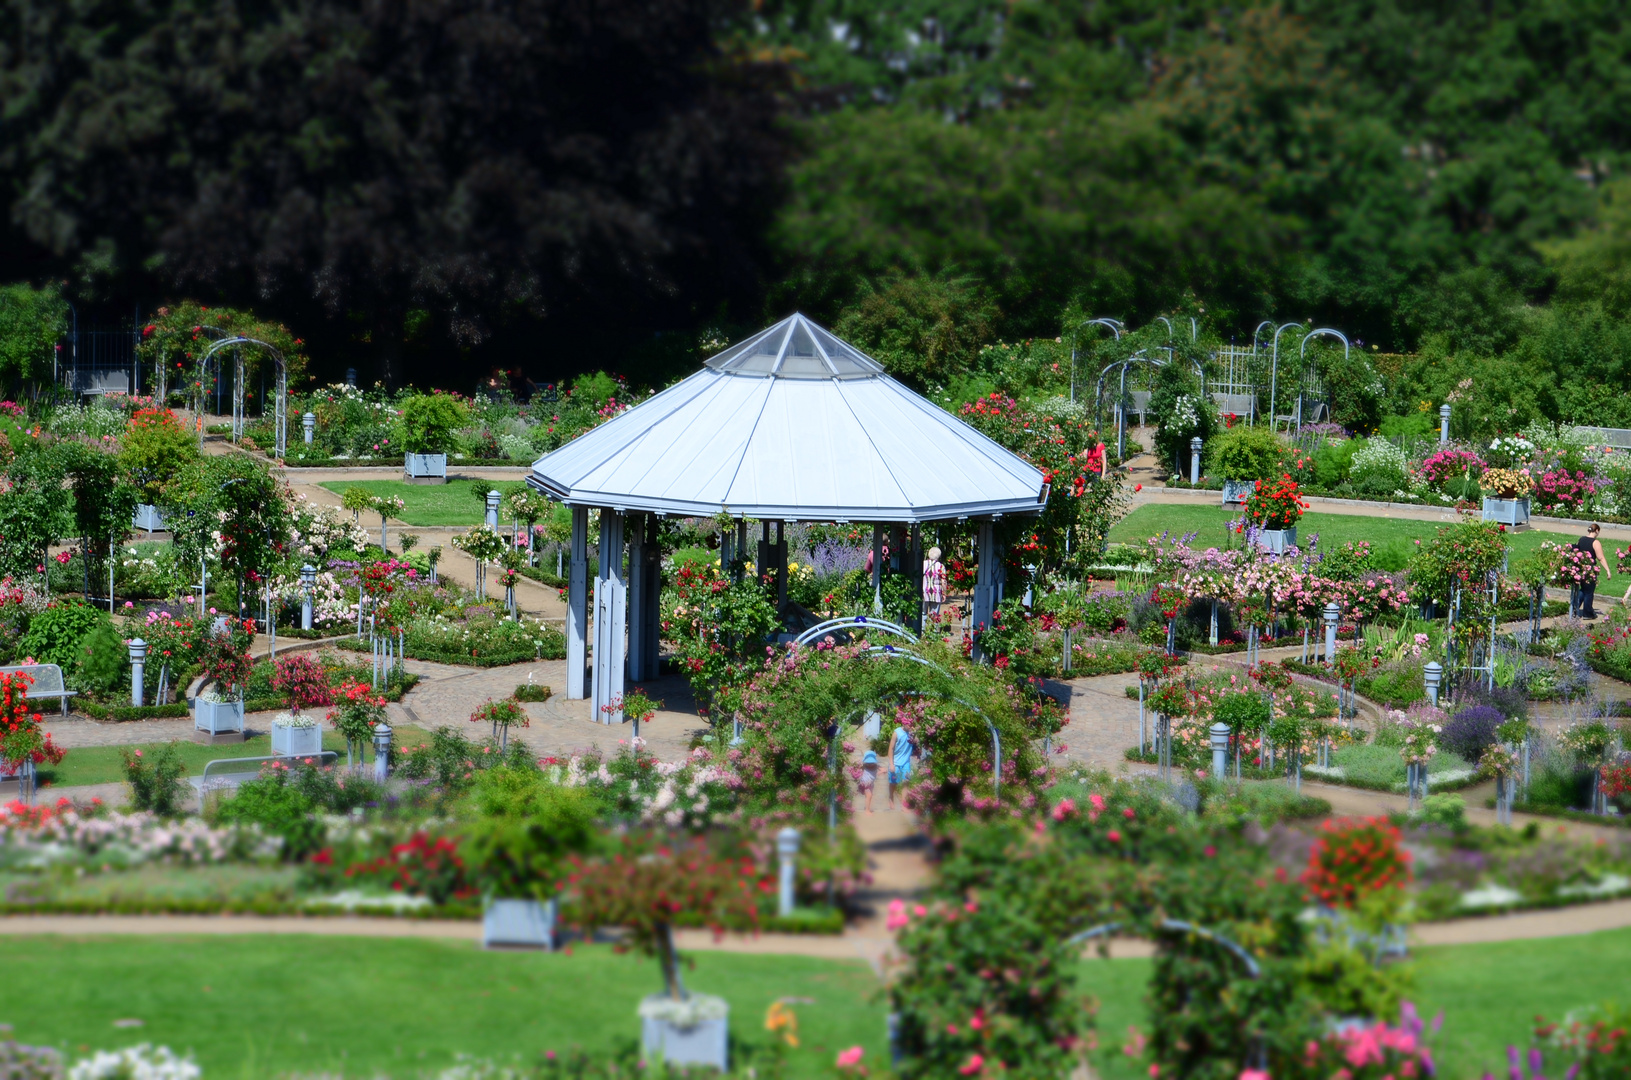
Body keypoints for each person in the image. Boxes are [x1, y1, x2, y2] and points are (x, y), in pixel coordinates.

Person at [1575, 523, 1614, 619]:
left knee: (1583, 590)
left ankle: (1575, 608)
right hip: (1590, 570)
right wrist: (1608, 570)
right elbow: (1600, 558)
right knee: (1589, 591)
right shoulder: (1595, 542)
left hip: (1581, 568)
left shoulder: (1581, 539)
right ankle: (1588, 613)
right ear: (1596, 531)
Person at [887, 722, 915, 810]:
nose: (910, 726)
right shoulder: (897, 733)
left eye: (912, 724)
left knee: (905, 782)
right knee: (894, 783)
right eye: (908, 724)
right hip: (896, 763)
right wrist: (891, 764)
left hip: (906, 763)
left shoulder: (913, 733)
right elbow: (891, 749)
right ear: (903, 723)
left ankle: (904, 805)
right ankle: (891, 798)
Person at [921, 545, 947, 618]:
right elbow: (943, 581)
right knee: (934, 615)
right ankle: (933, 629)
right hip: (936, 593)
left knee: (923, 614)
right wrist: (944, 593)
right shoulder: (941, 566)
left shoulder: (923, 564)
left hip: (924, 592)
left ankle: (922, 628)